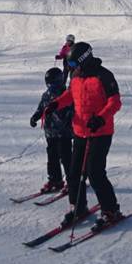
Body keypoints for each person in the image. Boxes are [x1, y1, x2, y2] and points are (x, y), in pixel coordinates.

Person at [42, 41, 123, 230]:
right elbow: (71, 95)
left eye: (73, 64)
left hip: (100, 132)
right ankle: (78, 207)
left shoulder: (104, 76)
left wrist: (100, 118)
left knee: (95, 173)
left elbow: (115, 102)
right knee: (74, 173)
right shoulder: (75, 76)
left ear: (84, 59)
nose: (71, 67)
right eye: (70, 64)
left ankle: (111, 210)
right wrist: (56, 103)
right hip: (80, 131)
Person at [30, 67, 73, 194]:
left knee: (66, 157)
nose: (51, 87)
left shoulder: (66, 94)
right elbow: (41, 108)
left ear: (60, 81)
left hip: (64, 133)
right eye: (49, 84)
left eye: (53, 84)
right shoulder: (46, 95)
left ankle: (72, 181)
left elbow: (72, 111)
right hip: (50, 132)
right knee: (52, 157)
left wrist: (68, 122)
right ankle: (55, 179)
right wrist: (35, 117)